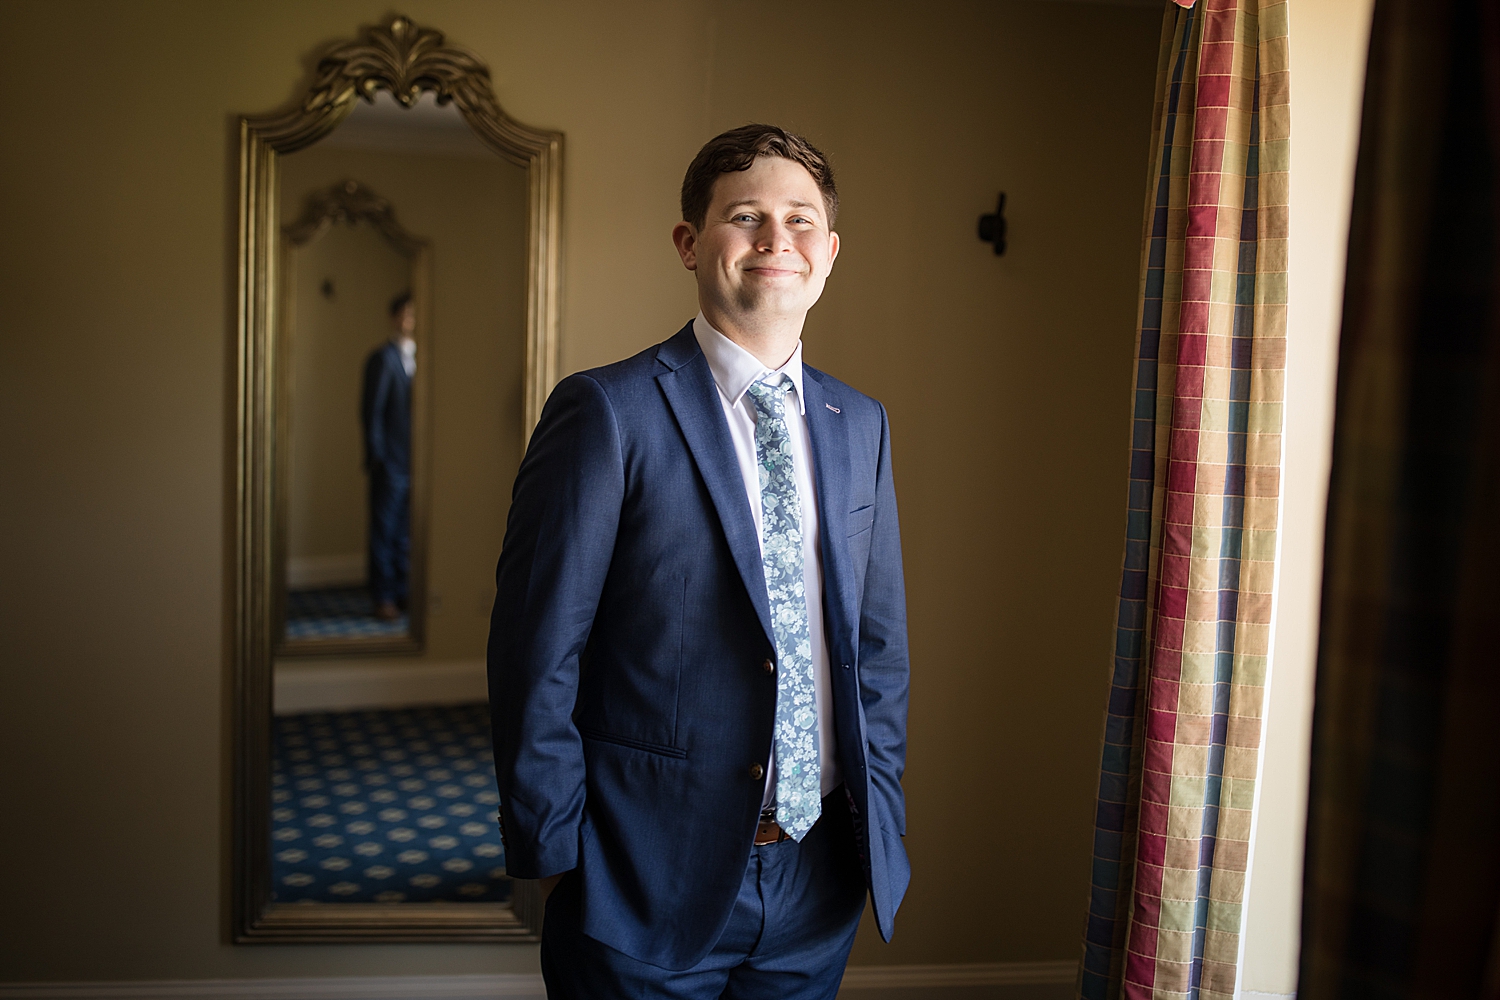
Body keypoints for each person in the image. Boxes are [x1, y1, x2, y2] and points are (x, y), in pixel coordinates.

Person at [489, 124, 910, 999]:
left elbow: (877, 654)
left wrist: (878, 821)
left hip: (818, 876)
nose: (775, 240)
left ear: (829, 254)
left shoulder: (858, 423)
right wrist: (559, 859)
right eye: (746, 215)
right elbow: (536, 652)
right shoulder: (606, 413)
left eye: (800, 221)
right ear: (690, 243)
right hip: (640, 879)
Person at [361, 292, 416, 622]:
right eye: (406, 314)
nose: (411, 321)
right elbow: (372, 413)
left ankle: (403, 591)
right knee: (384, 530)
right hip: (390, 462)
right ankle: (383, 596)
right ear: (395, 317)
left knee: (407, 532)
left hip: (415, 463)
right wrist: (378, 458)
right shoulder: (382, 359)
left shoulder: (424, 357)